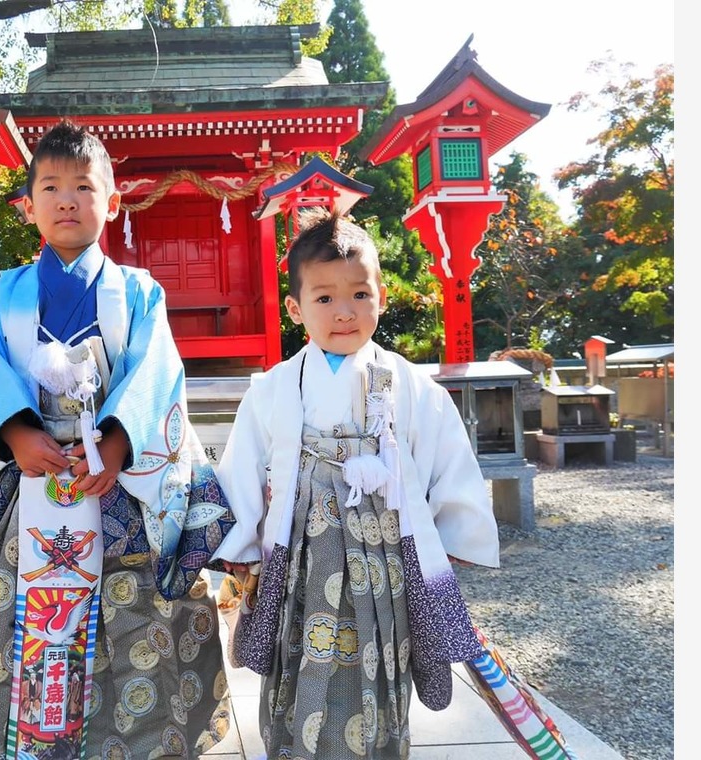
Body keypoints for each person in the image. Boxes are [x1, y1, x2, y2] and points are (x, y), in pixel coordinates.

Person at [0, 119, 237, 760]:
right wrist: (19, 434)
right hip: (32, 472)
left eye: (83, 186)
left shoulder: (140, 292)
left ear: (111, 203)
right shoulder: (3, 296)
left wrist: (115, 444)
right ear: (27, 206)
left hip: (117, 478)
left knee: (139, 616)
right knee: (13, 617)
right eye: (50, 186)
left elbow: (154, 376)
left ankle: (142, 743)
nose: (66, 199)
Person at [212, 207, 501, 759]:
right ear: (295, 308)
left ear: (382, 297)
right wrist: (241, 547)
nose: (344, 312)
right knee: (293, 656)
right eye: (324, 298)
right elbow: (243, 465)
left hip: (384, 559)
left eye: (359, 295)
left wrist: (454, 538)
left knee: (381, 655)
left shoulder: (412, 385)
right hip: (299, 555)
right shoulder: (274, 387)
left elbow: (448, 462)